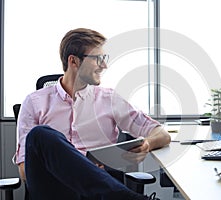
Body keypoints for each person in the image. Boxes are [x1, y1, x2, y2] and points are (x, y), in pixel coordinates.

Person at [14, 28, 171, 200]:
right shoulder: (35, 102)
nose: (104, 65)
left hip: (97, 193)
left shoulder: (110, 99)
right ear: (73, 61)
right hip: (54, 191)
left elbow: (161, 134)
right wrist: (80, 166)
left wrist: (148, 143)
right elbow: (25, 172)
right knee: (40, 135)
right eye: (98, 59)